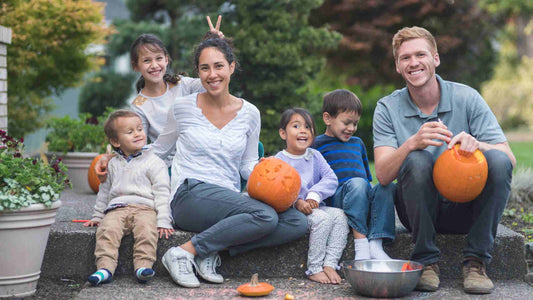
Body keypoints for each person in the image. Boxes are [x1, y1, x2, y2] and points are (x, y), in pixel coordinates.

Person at [151, 33, 307, 288]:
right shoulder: (182, 108)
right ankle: (183, 251)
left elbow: (247, 165)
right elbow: (159, 151)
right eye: (205, 68)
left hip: (228, 197)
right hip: (189, 194)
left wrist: (265, 171)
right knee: (265, 216)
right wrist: (119, 159)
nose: (212, 74)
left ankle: (211, 249)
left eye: (219, 66)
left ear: (231, 67)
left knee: (296, 222)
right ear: (198, 72)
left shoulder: (250, 113)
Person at [372, 26, 516, 294]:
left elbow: (508, 159)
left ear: (435, 59)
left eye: (420, 54)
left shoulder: (467, 97)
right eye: (405, 58)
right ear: (398, 66)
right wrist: (412, 143)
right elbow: (382, 175)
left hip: (467, 208)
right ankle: (425, 261)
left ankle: (476, 263)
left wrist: (478, 145)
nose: (413, 63)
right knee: (416, 160)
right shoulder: (386, 108)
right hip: (418, 210)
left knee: (497, 161)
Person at [96, 16, 224, 172]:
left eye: (158, 58)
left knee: (251, 148)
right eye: (147, 61)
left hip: (200, 154)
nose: (154, 65)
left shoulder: (183, 84)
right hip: (170, 166)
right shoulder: (139, 106)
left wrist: (215, 47)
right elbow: (137, 145)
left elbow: (211, 81)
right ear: (136, 66)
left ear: (166, 60)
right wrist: (115, 157)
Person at [84, 110, 174, 286]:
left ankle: (143, 266)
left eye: (139, 129)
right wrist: (97, 216)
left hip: (145, 208)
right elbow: (104, 190)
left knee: (147, 232)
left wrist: (163, 220)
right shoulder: (112, 164)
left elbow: (162, 192)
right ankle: (104, 268)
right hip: (116, 208)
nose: (138, 134)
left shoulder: (154, 162)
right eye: (130, 131)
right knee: (107, 231)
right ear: (116, 141)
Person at [312, 89, 396, 261]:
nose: (351, 128)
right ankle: (361, 244)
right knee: (357, 184)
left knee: (386, 186)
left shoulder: (358, 143)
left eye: (355, 123)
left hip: (361, 195)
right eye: (346, 122)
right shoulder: (316, 145)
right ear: (328, 118)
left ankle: (376, 243)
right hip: (338, 200)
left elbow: (367, 178)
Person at [274, 108, 348, 284]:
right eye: (296, 126)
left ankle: (330, 263)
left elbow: (331, 178)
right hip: (292, 210)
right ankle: (314, 267)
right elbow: (277, 189)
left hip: (314, 206)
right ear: (283, 133)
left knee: (340, 216)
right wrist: (297, 201)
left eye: (307, 127)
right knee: (322, 219)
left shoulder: (315, 156)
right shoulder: (279, 160)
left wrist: (315, 194)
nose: (303, 130)